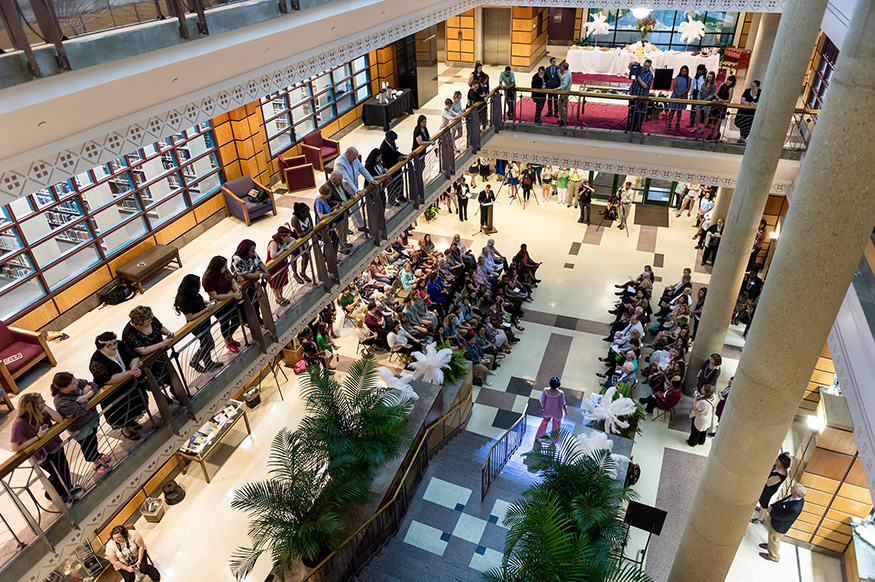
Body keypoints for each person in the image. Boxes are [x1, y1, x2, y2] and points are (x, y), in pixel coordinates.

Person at [10, 393, 82, 503]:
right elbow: (15, 447)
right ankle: (52, 494)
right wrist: (37, 437)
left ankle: (67, 488)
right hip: (42, 455)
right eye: (40, 402)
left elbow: (58, 419)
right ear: (32, 407)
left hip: (56, 446)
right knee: (56, 473)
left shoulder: (43, 412)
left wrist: (47, 408)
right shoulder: (20, 424)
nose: (44, 402)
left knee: (64, 469)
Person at [51, 372, 113, 475]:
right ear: (63, 389)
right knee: (87, 446)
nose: (76, 383)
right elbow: (79, 412)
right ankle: (95, 462)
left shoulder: (77, 383)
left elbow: (94, 386)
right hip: (80, 428)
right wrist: (85, 395)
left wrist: (85, 397)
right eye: (72, 384)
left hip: (91, 420)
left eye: (75, 380)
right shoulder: (61, 401)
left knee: (93, 441)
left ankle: (97, 455)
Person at [89, 332, 146, 440]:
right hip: (113, 392)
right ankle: (126, 429)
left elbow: (134, 357)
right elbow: (107, 379)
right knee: (121, 410)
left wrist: (134, 368)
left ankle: (132, 421)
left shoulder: (121, 345)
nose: (114, 347)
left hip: (128, 384)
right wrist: (129, 373)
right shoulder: (97, 360)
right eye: (109, 346)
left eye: (114, 343)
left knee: (134, 404)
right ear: (101, 347)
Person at [174, 274, 223, 373]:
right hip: (198, 326)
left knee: (205, 343)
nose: (200, 286)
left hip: (204, 321)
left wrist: (208, 303)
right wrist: (206, 310)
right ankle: (195, 361)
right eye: (198, 285)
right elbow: (190, 317)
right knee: (210, 344)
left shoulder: (193, 293)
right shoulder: (184, 300)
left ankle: (208, 363)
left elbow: (199, 300)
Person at [122, 306, 175, 398]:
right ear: (139, 322)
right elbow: (143, 350)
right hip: (148, 364)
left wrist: (168, 333)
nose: (151, 322)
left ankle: (177, 393)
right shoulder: (129, 333)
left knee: (171, 377)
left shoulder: (151, 319)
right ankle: (164, 400)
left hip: (162, 356)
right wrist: (163, 343)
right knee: (155, 384)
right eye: (148, 321)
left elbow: (160, 327)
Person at [202, 255, 243, 353]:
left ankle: (230, 337)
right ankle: (228, 341)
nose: (226, 268)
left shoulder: (225, 271)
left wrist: (237, 290)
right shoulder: (207, 279)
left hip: (231, 301)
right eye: (224, 267)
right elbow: (215, 296)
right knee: (225, 323)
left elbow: (232, 280)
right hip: (221, 306)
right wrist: (233, 294)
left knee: (237, 319)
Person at [759, 484, 807, 562]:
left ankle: (773, 556)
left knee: (774, 539)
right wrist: (773, 506)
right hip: (776, 522)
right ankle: (770, 546)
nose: (791, 488)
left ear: (797, 493)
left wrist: (771, 512)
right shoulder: (794, 496)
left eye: (793, 488)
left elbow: (782, 517)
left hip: (780, 526)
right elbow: (782, 502)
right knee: (771, 537)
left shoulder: (795, 508)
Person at [230, 239, 270, 325]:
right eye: (251, 251)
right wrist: (261, 275)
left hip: (252, 283)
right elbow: (244, 275)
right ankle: (246, 321)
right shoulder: (236, 259)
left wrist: (266, 272)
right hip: (242, 286)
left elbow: (259, 262)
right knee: (245, 304)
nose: (253, 252)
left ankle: (258, 318)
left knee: (255, 302)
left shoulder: (253, 254)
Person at [335, 147, 375, 230]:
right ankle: (357, 226)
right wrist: (356, 190)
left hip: (353, 185)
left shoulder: (354, 158)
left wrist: (371, 179)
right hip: (345, 188)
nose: (356, 158)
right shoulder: (339, 163)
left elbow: (362, 169)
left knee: (354, 206)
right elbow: (346, 178)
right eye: (354, 157)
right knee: (351, 206)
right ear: (348, 155)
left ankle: (359, 224)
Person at [751, 453, 792, 524]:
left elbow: (768, 483)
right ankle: (760, 508)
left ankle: (760, 519)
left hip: (769, 490)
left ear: (780, 462)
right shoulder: (777, 466)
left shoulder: (779, 476)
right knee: (762, 500)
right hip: (767, 487)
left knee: (764, 502)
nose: (776, 460)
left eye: (777, 460)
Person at [702, 74, 736, 141]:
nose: (727, 84)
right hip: (717, 103)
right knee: (715, 119)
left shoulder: (731, 89)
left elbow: (729, 100)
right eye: (727, 82)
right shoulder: (722, 85)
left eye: (729, 83)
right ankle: (718, 133)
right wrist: (718, 99)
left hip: (723, 106)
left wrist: (722, 101)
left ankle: (711, 134)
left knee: (719, 120)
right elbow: (716, 94)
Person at [535, 377, 567, 444]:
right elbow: (563, 403)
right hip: (557, 412)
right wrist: (565, 411)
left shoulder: (545, 390)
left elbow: (542, 401)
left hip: (547, 411)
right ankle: (554, 440)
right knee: (556, 426)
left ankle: (538, 436)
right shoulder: (561, 393)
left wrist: (541, 409)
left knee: (544, 424)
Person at [265, 226, 293, 303]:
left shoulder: (282, 241)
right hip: (273, 268)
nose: (289, 238)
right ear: (282, 236)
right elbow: (273, 255)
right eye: (287, 236)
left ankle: (281, 296)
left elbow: (293, 240)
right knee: (275, 285)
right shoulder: (273, 243)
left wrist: (287, 246)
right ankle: (278, 298)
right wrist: (282, 249)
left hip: (281, 266)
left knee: (280, 283)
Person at [627, 59, 653, 133]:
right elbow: (629, 67)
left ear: (649, 66)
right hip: (633, 93)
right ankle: (630, 124)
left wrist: (638, 77)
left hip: (641, 96)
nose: (645, 67)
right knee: (631, 109)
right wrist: (633, 63)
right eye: (644, 65)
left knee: (638, 113)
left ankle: (637, 127)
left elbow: (645, 85)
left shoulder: (650, 75)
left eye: (647, 66)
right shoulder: (639, 69)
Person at [735, 80, 760, 144]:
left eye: (754, 86)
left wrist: (754, 104)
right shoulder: (747, 91)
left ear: (758, 87)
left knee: (749, 125)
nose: (753, 88)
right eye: (752, 86)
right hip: (743, 111)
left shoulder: (760, 92)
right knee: (742, 123)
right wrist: (749, 103)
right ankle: (741, 137)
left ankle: (743, 138)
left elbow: (761, 101)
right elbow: (742, 100)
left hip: (752, 113)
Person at [666, 65, 690, 129]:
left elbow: (688, 88)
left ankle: (677, 123)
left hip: (683, 95)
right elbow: (674, 87)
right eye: (682, 71)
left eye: (685, 72)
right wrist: (677, 93)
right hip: (675, 95)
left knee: (680, 111)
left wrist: (682, 93)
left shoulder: (689, 79)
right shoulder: (677, 78)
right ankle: (669, 123)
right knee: (672, 110)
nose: (684, 73)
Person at [557, 62, 572, 127]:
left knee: (561, 107)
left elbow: (565, 84)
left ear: (563, 67)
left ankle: (564, 120)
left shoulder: (567, 74)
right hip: (565, 92)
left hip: (564, 93)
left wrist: (558, 88)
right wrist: (559, 74)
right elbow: (563, 80)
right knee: (564, 107)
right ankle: (564, 119)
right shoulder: (567, 73)